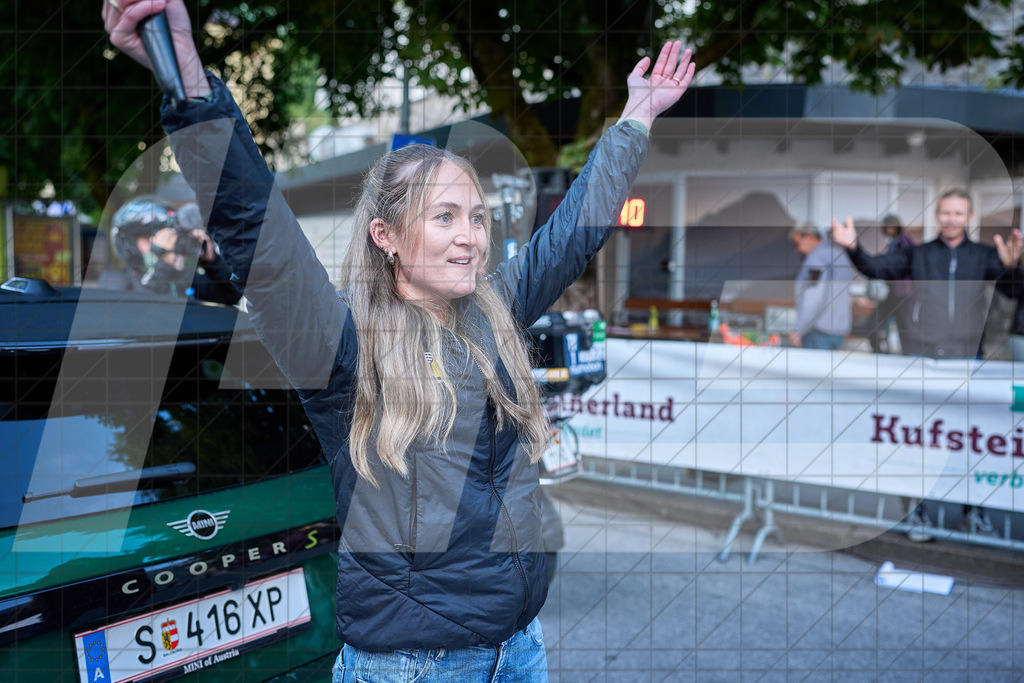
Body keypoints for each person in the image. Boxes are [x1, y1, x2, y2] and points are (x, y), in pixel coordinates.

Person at [104, 1, 694, 679]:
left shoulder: (492, 308)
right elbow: (257, 235)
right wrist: (186, 76)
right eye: (444, 216)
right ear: (385, 236)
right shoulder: (340, 344)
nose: (470, 234)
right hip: (415, 665)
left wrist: (636, 118)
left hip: (520, 649)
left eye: (476, 216)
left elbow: (574, 233)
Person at [833, 190, 1022, 537]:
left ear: (970, 216)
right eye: (946, 212)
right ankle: (918, 513)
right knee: (919, 441)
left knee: (969, 440)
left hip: (968, 359)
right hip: (922, 360)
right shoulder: (917, 254)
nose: (951, 219)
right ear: (937, 215)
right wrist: (853, 248)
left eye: (958, 213)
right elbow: (877, 269)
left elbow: (1014, 291)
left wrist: (1013, 267)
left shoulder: (984, 256)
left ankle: (973, 512)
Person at [98, 195, 241, 306]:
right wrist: (164, 263)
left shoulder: (183, 279)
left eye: (164, 236)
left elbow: (232, 295)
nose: (163, 243)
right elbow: (139, 314)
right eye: (149, 238)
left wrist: (212, 260)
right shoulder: (115, 280)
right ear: (128, 244)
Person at [788, 222, 853, 350]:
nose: (797, 249)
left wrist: (798, 329)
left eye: (797, 243)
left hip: (819, 331)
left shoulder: (816, 260)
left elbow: (814, 296)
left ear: (809, 237)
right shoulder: (839, 254)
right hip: (838, 330)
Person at [868, 214, 915, 353]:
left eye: (892, 226)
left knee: (903, 327)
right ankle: (881, 351)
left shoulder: (903, 242)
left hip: (902, 292)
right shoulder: (894, 242)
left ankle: (907, 355)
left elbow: (899, 264)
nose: (889, 229)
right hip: (894, 291)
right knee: (876, 323)